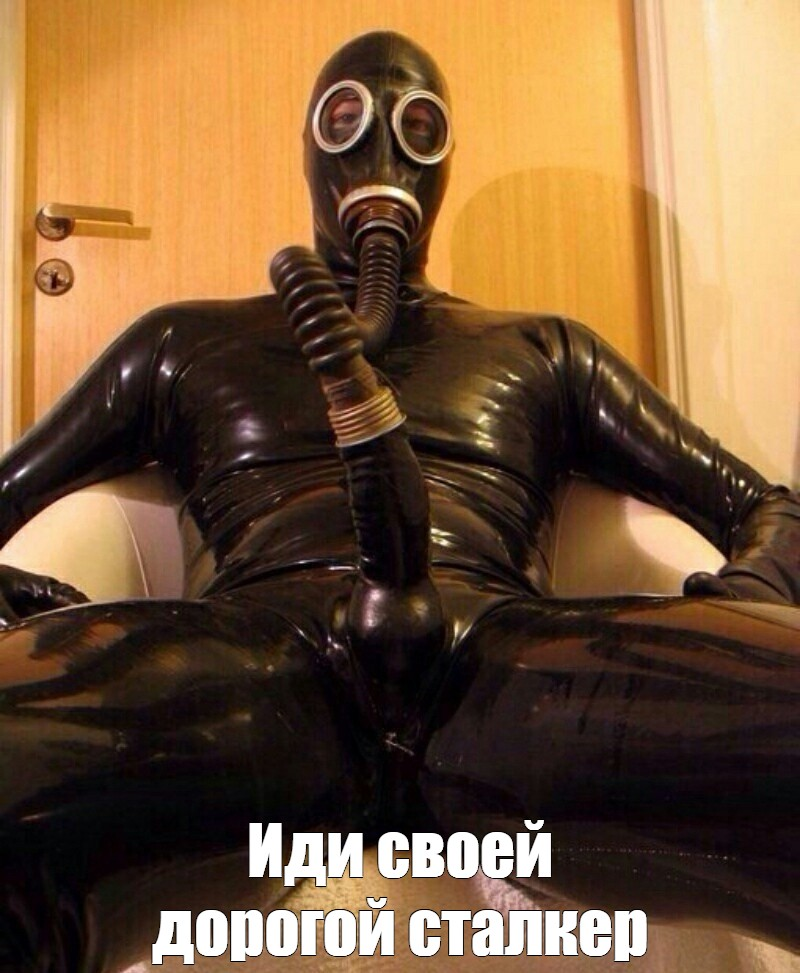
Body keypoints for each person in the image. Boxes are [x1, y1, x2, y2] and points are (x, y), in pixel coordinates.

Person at [0, 30, 798, 972]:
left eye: (417, 128)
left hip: (502, 681)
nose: (381, 156)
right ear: (310, 147)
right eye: (347, 121)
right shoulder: (182, 341)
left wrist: (740, 602)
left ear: (445, 160)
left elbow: (768, 506)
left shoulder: (544, 348)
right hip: (257, 683)